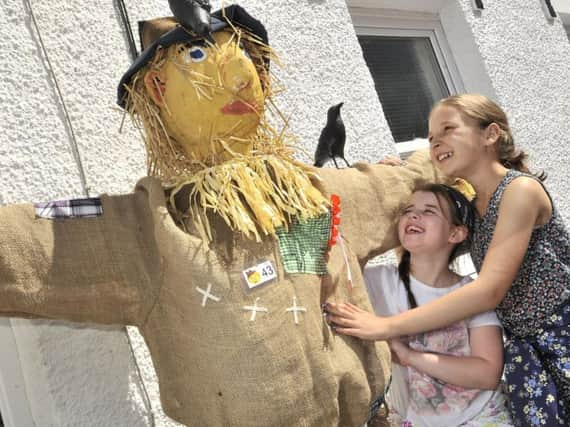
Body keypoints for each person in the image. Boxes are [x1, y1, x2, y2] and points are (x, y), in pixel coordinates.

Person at [326, 93, 570, 426]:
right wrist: (400, 183)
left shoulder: (519, 191)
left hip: (561, 336)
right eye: (430, 137)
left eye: (447, 129)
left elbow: (488, 291)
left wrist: (385, 327)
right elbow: (435, 233)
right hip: (529, 351)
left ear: (490, 134)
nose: (435, 141)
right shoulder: (473, 207)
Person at [347, 183, 512, 426]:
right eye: (408, 210)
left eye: (429, 211)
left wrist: (410, 356)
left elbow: (487, 373)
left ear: (455, 234)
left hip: (483, 416)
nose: (413, 215)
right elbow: (344, 247)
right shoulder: (378, 281)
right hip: (413, 421)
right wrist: (389, 190)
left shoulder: (472, 293)